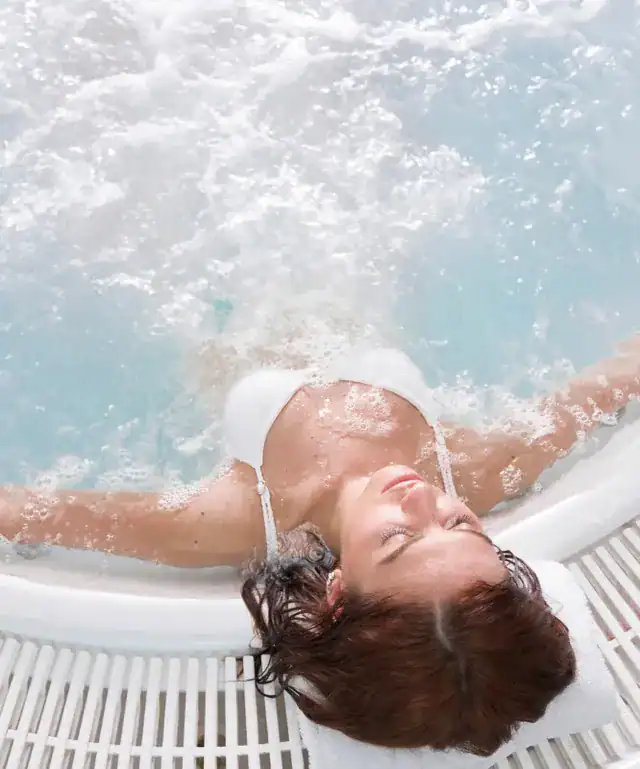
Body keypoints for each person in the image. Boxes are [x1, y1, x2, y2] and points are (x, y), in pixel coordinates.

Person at [1, 340, 639, 753]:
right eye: (462, 526)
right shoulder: (482, 469)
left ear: (337, 591)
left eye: (397, 538)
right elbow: (617, 379)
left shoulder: (235, 519)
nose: (423, 499)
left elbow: (32, 514)